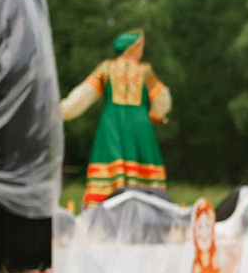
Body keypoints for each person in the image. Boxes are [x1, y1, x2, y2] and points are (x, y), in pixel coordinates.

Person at [62, 31, 173, 205]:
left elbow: (84, 94)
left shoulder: (107, 69)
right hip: (139, 123)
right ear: (132, 48)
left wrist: (62, 111)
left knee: (112, 165)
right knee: (143, 169)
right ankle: (148, 204)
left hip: (112, 123)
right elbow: (162, 97)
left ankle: (106, 206)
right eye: (140, 47)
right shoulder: (145, 71)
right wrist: (156, 115)